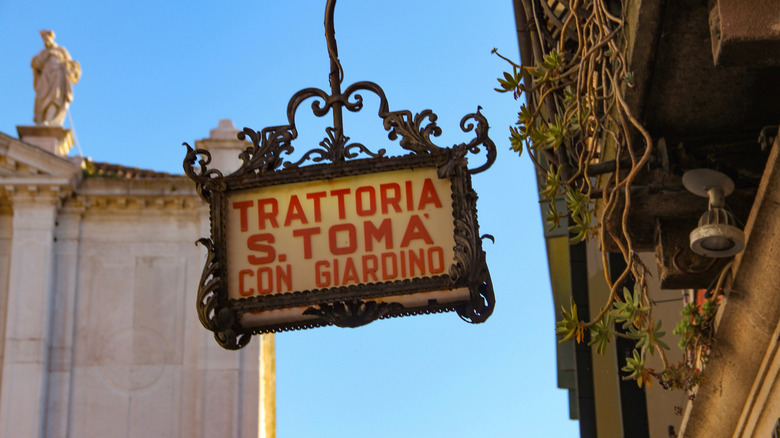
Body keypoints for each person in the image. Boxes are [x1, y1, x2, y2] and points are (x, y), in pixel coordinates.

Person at [31, 30, 81, 126]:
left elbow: (71, 64)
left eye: (47, 39)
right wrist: (40, 59)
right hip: (45, 77)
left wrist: (67, 66)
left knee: (55, 97)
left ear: (51, 38)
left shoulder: (61, 50)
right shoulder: (43, 52)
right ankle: (42, 119)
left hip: (57, 77)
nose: (46, 41)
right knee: (41, 98)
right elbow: (36, 65)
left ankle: (50, 120)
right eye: (44, 40)